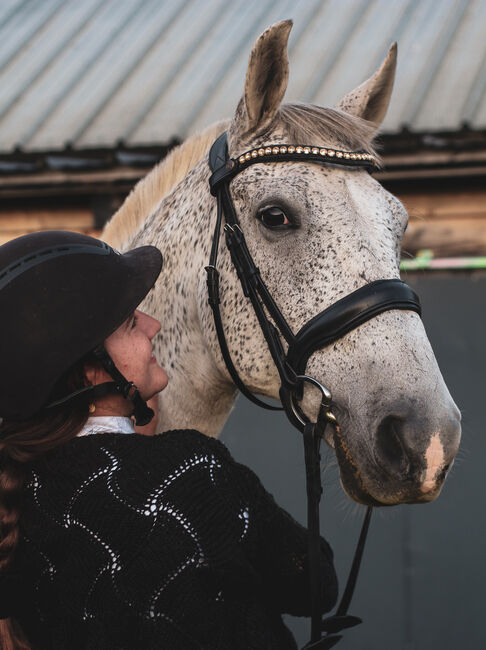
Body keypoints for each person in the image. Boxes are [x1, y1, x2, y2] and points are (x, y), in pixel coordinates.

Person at [0, 230, 337, 650]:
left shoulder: (18, 499)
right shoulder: (191, 472)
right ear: (87, 373)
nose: (152, 324)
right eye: (129, 323)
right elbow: (314, 585)